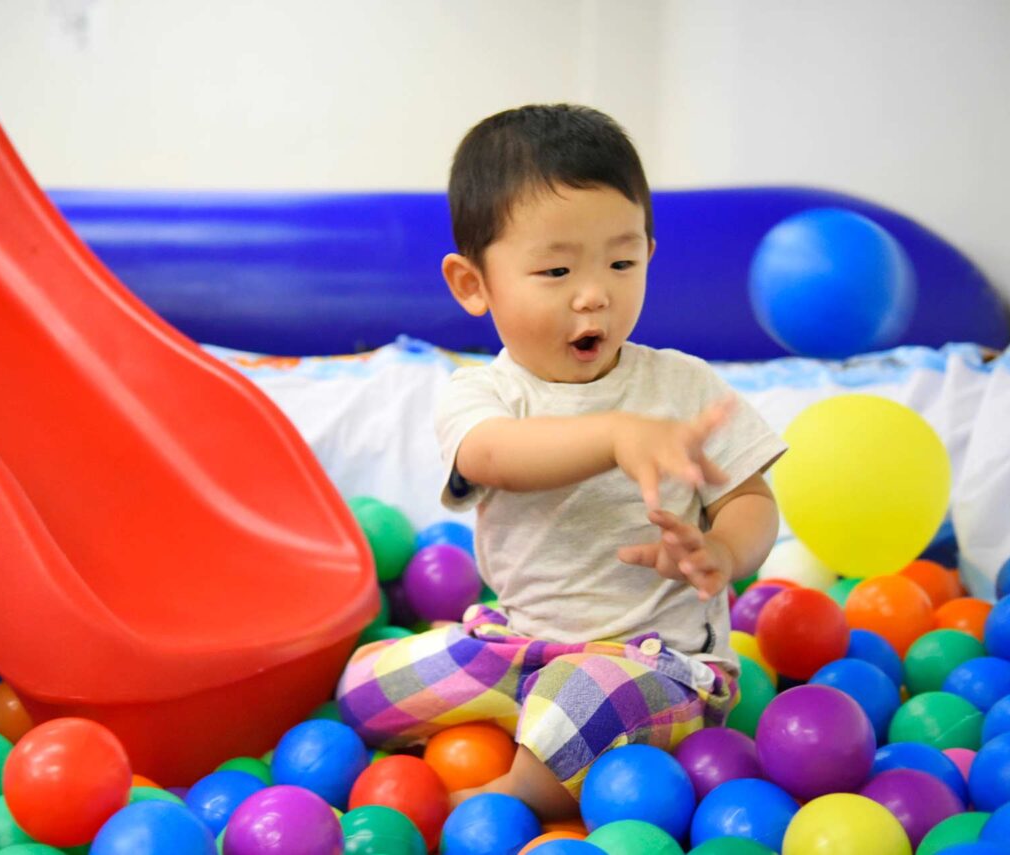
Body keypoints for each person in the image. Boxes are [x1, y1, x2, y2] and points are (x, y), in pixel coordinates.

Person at [336, 104, 786, 821]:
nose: (594, 293)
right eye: (555, 269)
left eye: (622, 260)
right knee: (363, 687)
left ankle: (501, 802)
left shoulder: (683, 384)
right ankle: (536, 732)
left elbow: (751, 497)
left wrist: (726, 550)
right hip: (516, 645)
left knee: (585, 694)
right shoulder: (482, 392)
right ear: (472, 284)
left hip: (654, 662)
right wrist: (613, 435)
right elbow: (493, 456)